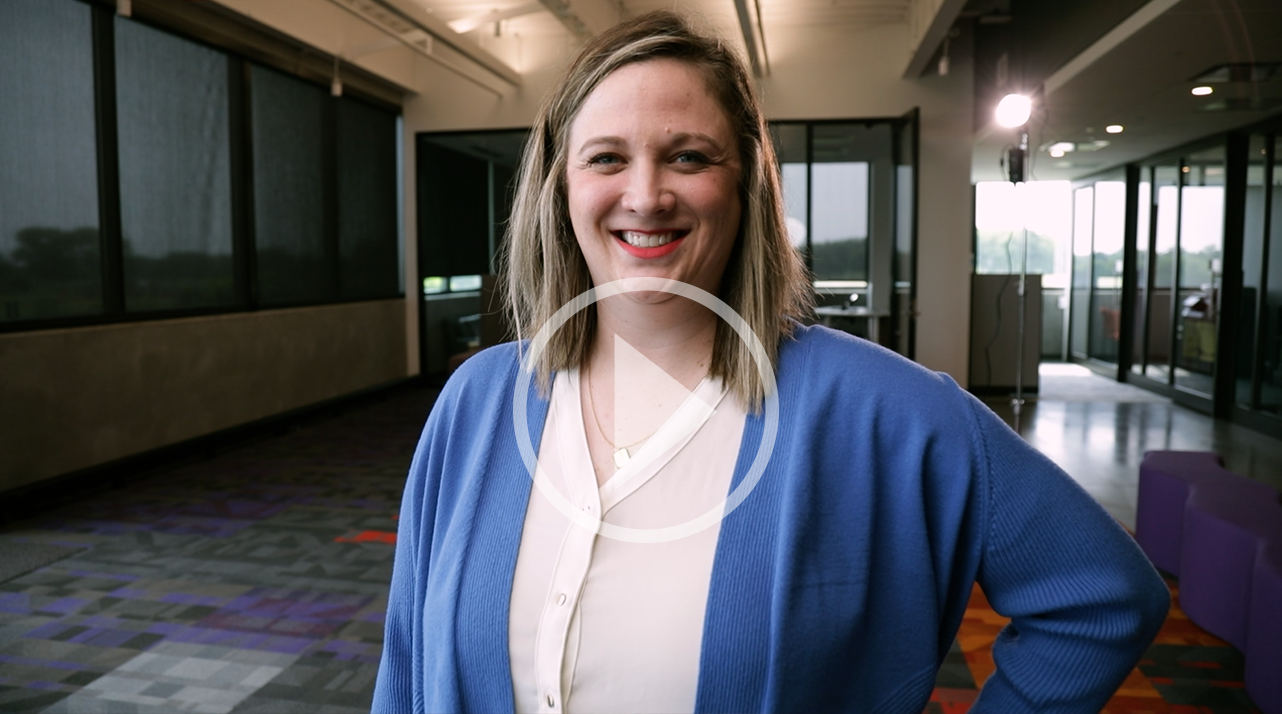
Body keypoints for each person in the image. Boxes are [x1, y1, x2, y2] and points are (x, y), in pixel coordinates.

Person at [373, 11, 1169, 713]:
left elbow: (1100, 600)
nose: (646, 195)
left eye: (688, 157)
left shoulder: (885, 410)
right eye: (607, 158)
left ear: (748, 182)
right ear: (559, 187)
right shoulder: (478, 400)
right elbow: (408, 657)